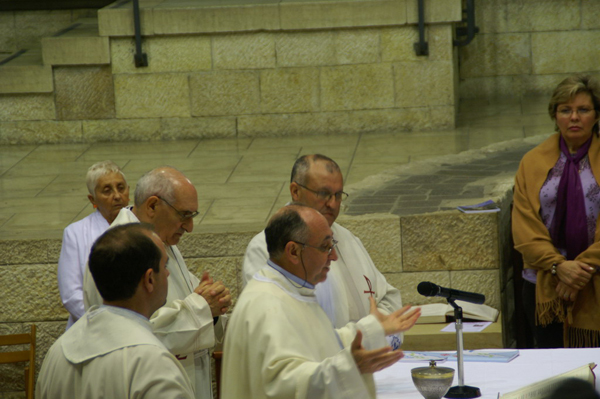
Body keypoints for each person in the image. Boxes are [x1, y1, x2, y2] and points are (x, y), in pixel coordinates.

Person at [222, 205, 420, 399]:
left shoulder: (291, 292)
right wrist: (350, 368)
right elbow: (283, 385)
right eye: (325, 247)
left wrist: (370, 329)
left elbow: (319, 344)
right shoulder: (267, 305)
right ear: (293, 252)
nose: (333, 256)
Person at [83, 166, 231, 399]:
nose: (190, 227)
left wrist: (213, 304)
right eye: (184, 215)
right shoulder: (120, 251)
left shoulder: (160, 241)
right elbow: (133, 334)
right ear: (152, 206)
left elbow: (191, 300)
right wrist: (203, 307)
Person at [243, 154, 404, 347]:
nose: (333, 204)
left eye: (338, 195)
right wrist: (360, 340)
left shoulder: (347, 238)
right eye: (324, 194)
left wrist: (378, 337)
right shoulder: (266, 248)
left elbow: (387, 297)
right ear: (295, 191)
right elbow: (278, 330)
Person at [37, 223, 195, 399]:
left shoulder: (57, 351)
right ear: (149, 279)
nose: (167, 274)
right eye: (165, 266)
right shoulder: (152, 361)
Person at [513, 75, 600, 348]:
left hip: (595, 278)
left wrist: (579, 271)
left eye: (583, 110)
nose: (574, 117)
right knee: (551, 368)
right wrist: (558, 266)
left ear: (596, 116)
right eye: (565, 110)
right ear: (555, 115)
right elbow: (524, 227)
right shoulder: (532, 161)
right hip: (544, 282)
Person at [58, 160, 129, 329]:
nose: (117, 196)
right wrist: (105, 323)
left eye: (121, 188)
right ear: (93, 199)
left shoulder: (141, 227)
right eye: (107, 190)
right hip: (91, 327)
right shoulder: (75, 233)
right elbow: (70, 295)